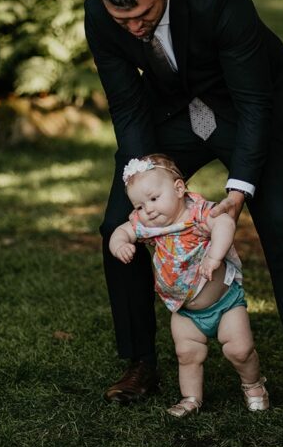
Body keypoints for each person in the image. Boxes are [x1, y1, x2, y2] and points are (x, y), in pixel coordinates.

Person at [85, 0, 283, 420]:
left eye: (144, 15)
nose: (134, 27)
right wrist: (143, 188)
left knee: (279, 217)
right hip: (173, 112)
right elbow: (127, 107)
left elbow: (256, 102)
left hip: (249, 102)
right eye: (122, 19)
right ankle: (141, 363)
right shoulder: (98, 15)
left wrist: (237, 192)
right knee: (118, 223)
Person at [109, 154, 271, 418]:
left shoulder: (198, 211)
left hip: (224, 303)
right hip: (183, 309)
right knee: (187, 354)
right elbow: (121, 231)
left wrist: (214, 256)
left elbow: (225, 222)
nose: (147, 210)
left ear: (179, 188)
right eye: (139, 206)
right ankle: (191, 397)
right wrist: (120, 244)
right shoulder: (147, 224)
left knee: (239, 350)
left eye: (153, 199)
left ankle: (254, 385)